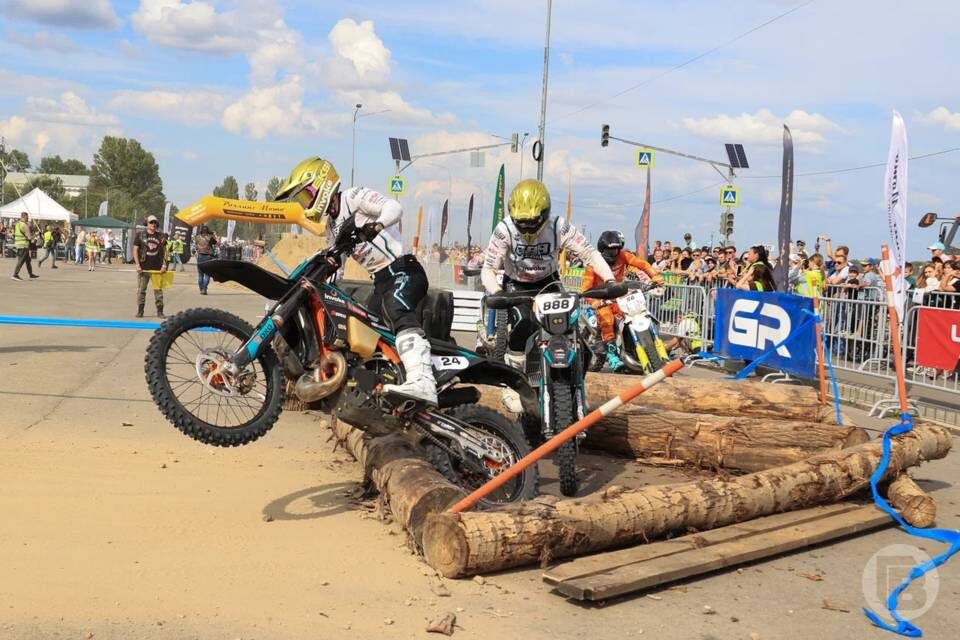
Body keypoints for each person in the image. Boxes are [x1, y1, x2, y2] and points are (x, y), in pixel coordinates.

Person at [275, 155, 438, 405]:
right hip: (381, 281)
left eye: (306, 196)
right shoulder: (331, 226)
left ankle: (424, 380)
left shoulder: (353, 197)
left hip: (403, 269)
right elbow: (336, 261)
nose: (306, 203)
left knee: (396, 307)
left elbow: (394, 207)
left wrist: (377, 226)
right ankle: (376, 389)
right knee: (365, 333)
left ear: (322, 184)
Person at [481, 179, 615, 372]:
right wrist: (496, 291)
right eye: (521, 223)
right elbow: (489, 268)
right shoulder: (504, 229)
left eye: (533, 223)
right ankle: (515, 385)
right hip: (516, 285)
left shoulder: (559, 226)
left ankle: (572, 377)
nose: (527, 229)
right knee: (523, 325)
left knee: (568, 325)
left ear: (545, 214)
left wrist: (610, 280)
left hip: (547, 281)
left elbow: (589, 253)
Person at [580, 230, 663, 370]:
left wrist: (655, 277)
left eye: (616, 250)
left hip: (618, 296)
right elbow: (585, 289)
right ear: (602, 249)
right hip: (601, 298)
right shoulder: (592, 264)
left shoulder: (624, 256)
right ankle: (612, 356)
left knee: (635, 313)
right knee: (607, 319)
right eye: (610, 250)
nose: (614, 253)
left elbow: (642, 264)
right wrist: (594, 301)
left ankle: (637, 347)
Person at [133, 215, 169, 318]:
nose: (153, 224)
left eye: (155, 223)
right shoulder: (140, 235)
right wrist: (137, 265)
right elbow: (135, 250)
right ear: (147, 224)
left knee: (158, 291)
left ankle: (160, 312)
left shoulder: (161, 236)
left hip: (157, 268)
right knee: (141, 290)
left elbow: (166, 251)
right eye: (151, 222)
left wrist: (164, 265)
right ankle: (140, 311)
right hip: (143, 268)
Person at [11, 211, 39, 280]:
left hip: (18, 244)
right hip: (24, 245)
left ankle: (31, 274)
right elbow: (29, 237)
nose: (28, 218)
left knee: (28, 260)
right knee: (21, 260)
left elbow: (14, 234)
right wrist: (36, 234)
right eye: (27, 217)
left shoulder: (17, 224)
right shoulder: (24, 225)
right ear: (24, 217)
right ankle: (15, 275)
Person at [193, 224, 218, 294]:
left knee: (200, 275)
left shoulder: (197, 237)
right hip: (208, 257)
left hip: (200, 256)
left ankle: (201, 289)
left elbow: (196, 245)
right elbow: (216, 242)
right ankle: (204, 289)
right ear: (208, 231)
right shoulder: (210, 238)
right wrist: (214, 234)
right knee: (207, 274)